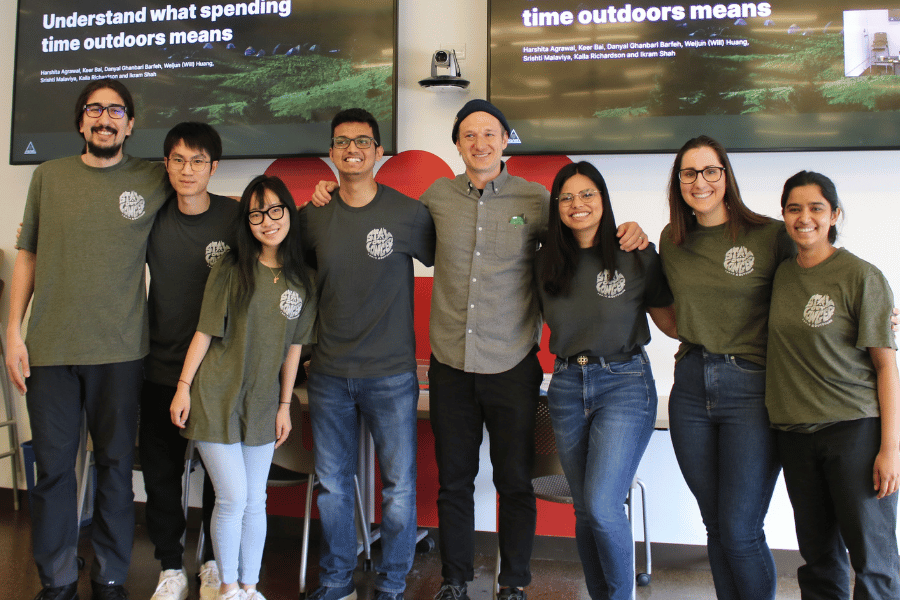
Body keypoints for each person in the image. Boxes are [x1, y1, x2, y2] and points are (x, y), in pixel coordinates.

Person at [312, 99, 646, 600]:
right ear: (457, 144)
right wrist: (327, 192)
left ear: (506, 139)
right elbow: (380, 228)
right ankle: (455, 581)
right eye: (469, 135)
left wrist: (630, 231)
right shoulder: (436, 198)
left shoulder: (536, 200)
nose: (480, 143)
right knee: (454, 484)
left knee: (514, 482)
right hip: (450, 365)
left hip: (512, 363)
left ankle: (512, 582)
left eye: (490, 133)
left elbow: (580, 240)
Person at [6, 79, 169, 600]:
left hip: (121, 353)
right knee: (53, 471)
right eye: (94, 110)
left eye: (115, 110)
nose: (104, 118)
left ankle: (111, 574)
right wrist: (13, 330)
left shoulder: (152, 178)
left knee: (117, 469)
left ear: (130, 123)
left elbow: (209, 198)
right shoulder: (48, 177)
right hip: (49, 351)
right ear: (81, 122)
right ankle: (55, 578)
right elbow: (27, 252)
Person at [298, 108, 435, 600]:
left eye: (362, 141)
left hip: (391, 376)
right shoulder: (312, 215)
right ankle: (335, 580)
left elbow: (460, 258)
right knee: (333, 486)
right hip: (329, 374)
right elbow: (281, 267)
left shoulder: (408, 213)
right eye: (340, 141)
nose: (351, 148)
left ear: (380, 152)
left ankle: (392, 581)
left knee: (398, 489)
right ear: (331, 153)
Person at [659, 135, 795, 600]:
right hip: (692, 387)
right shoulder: (672, 241)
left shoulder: (770, 235)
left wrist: (874, 311)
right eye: (689, 173)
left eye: (710, 171)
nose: (701, 182)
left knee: (741, 528)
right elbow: (668, 312)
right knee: (716, 525)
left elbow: (820, 276)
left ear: (726, 175)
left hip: (751, 390)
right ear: (678, 183)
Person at [170, 175, 316, 600]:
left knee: (256, 501)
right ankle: (228, 587)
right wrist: (183, 387)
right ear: (246, 221)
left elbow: (294, 350)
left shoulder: (303, 279)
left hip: (263, 402)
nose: (267, 221)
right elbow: (204, 332)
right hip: (215, 396)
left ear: (289, 212)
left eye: (275, 210)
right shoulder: (231, 268)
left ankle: (250, 587)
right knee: (232, 499)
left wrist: (285, 405)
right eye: (256, 213)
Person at [536, 162, 675, 600]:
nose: (578, 205)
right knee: (583, 510)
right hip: (564, 385)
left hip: (625, 382)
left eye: (588, 195)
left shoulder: (634, 250)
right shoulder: (545, 260)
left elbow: (672, 320)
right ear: (556, 207)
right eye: (567, 198)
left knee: (601, 504)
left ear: (604, 199)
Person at [766, 170, 900, 599]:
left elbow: (886, 367)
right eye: (794, 208)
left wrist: (890, 449)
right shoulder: (780, 275)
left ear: (835, 214)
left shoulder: (861, 275)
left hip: (854, 432)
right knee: (820, 560)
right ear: (784, 216)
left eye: (816, 208)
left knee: (873, 563)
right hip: (795, 435)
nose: (804, 217)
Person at [142, 122, 239, 600]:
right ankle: (168, 567)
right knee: (162, 474)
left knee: (219, 480)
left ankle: (212, 564)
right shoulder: (152, 216)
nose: (187, 169)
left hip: (218, 375)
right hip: (159, 368)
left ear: (213, 168)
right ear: (166, 164)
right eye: (178, 160)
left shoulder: (235, 217)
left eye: (198, 161)